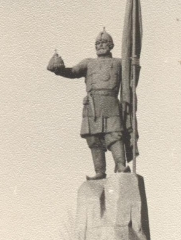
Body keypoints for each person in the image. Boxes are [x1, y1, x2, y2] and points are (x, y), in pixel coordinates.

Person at [47, 29, 133, 180]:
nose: (100, 45)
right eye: (97, 43)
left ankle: (120, 165)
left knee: (115, 134)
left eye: (104, 42)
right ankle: (100, 171)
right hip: (92, 105)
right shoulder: (88, 63)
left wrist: (134, 63)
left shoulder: (120, 63)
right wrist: (58, 69)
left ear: (111, 45)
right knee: (93, 138)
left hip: (111, 102)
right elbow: (72, 72)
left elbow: (132, 77)